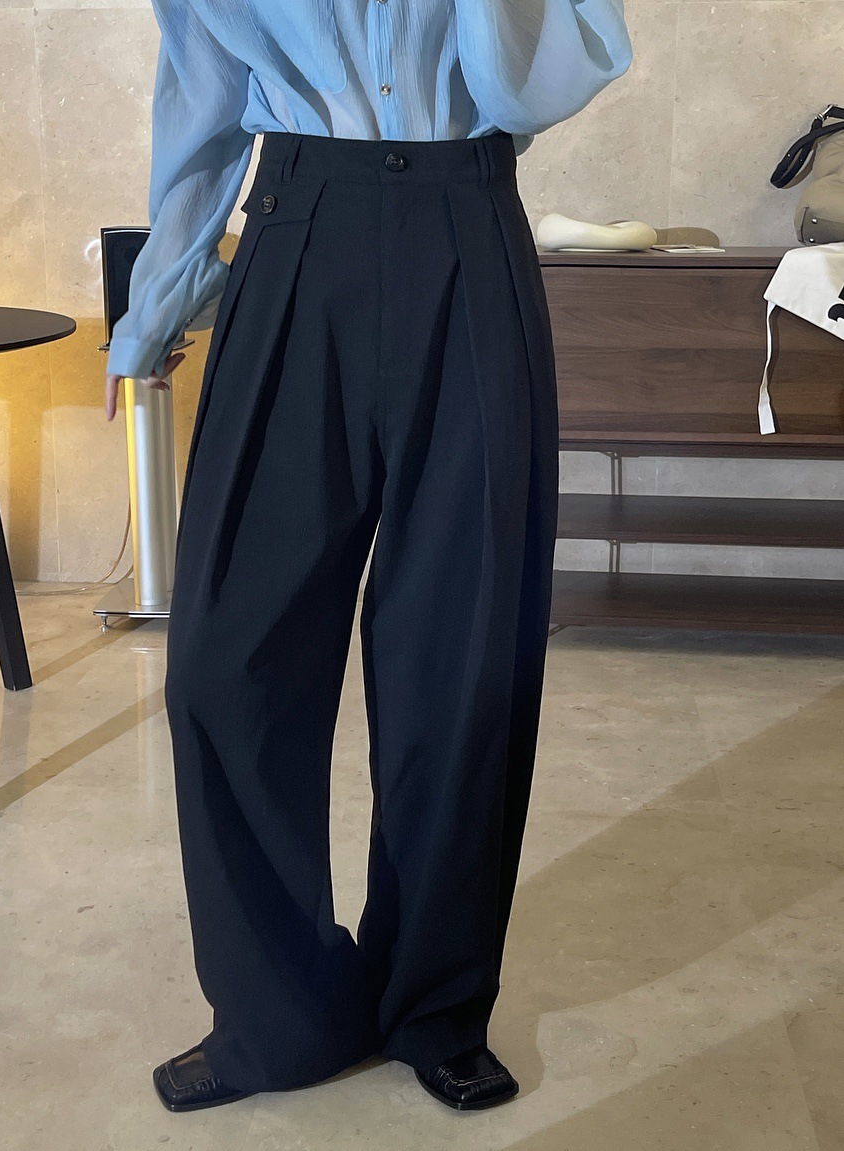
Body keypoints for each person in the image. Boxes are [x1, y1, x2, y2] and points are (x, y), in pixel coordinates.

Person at [104, 0, 632, 1115]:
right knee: (225, 663)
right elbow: (200, 94)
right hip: (297, 227)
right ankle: (275, 1015)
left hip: (468, 225)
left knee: (463, 653)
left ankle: (434, 1006)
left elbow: (533, 82)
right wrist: (157, 302)